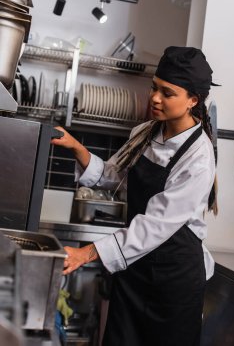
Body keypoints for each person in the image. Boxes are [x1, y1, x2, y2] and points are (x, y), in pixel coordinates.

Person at [51, 46, 217, 346]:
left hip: (174, 279)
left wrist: (88, 253)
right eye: (154, 88)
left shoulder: (199, 157)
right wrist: (78, 148)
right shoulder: (145, 133)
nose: (154, 98)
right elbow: (114, 177)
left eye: (168, 93)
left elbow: (156, 225)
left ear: (193, 100)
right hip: (137, 269)